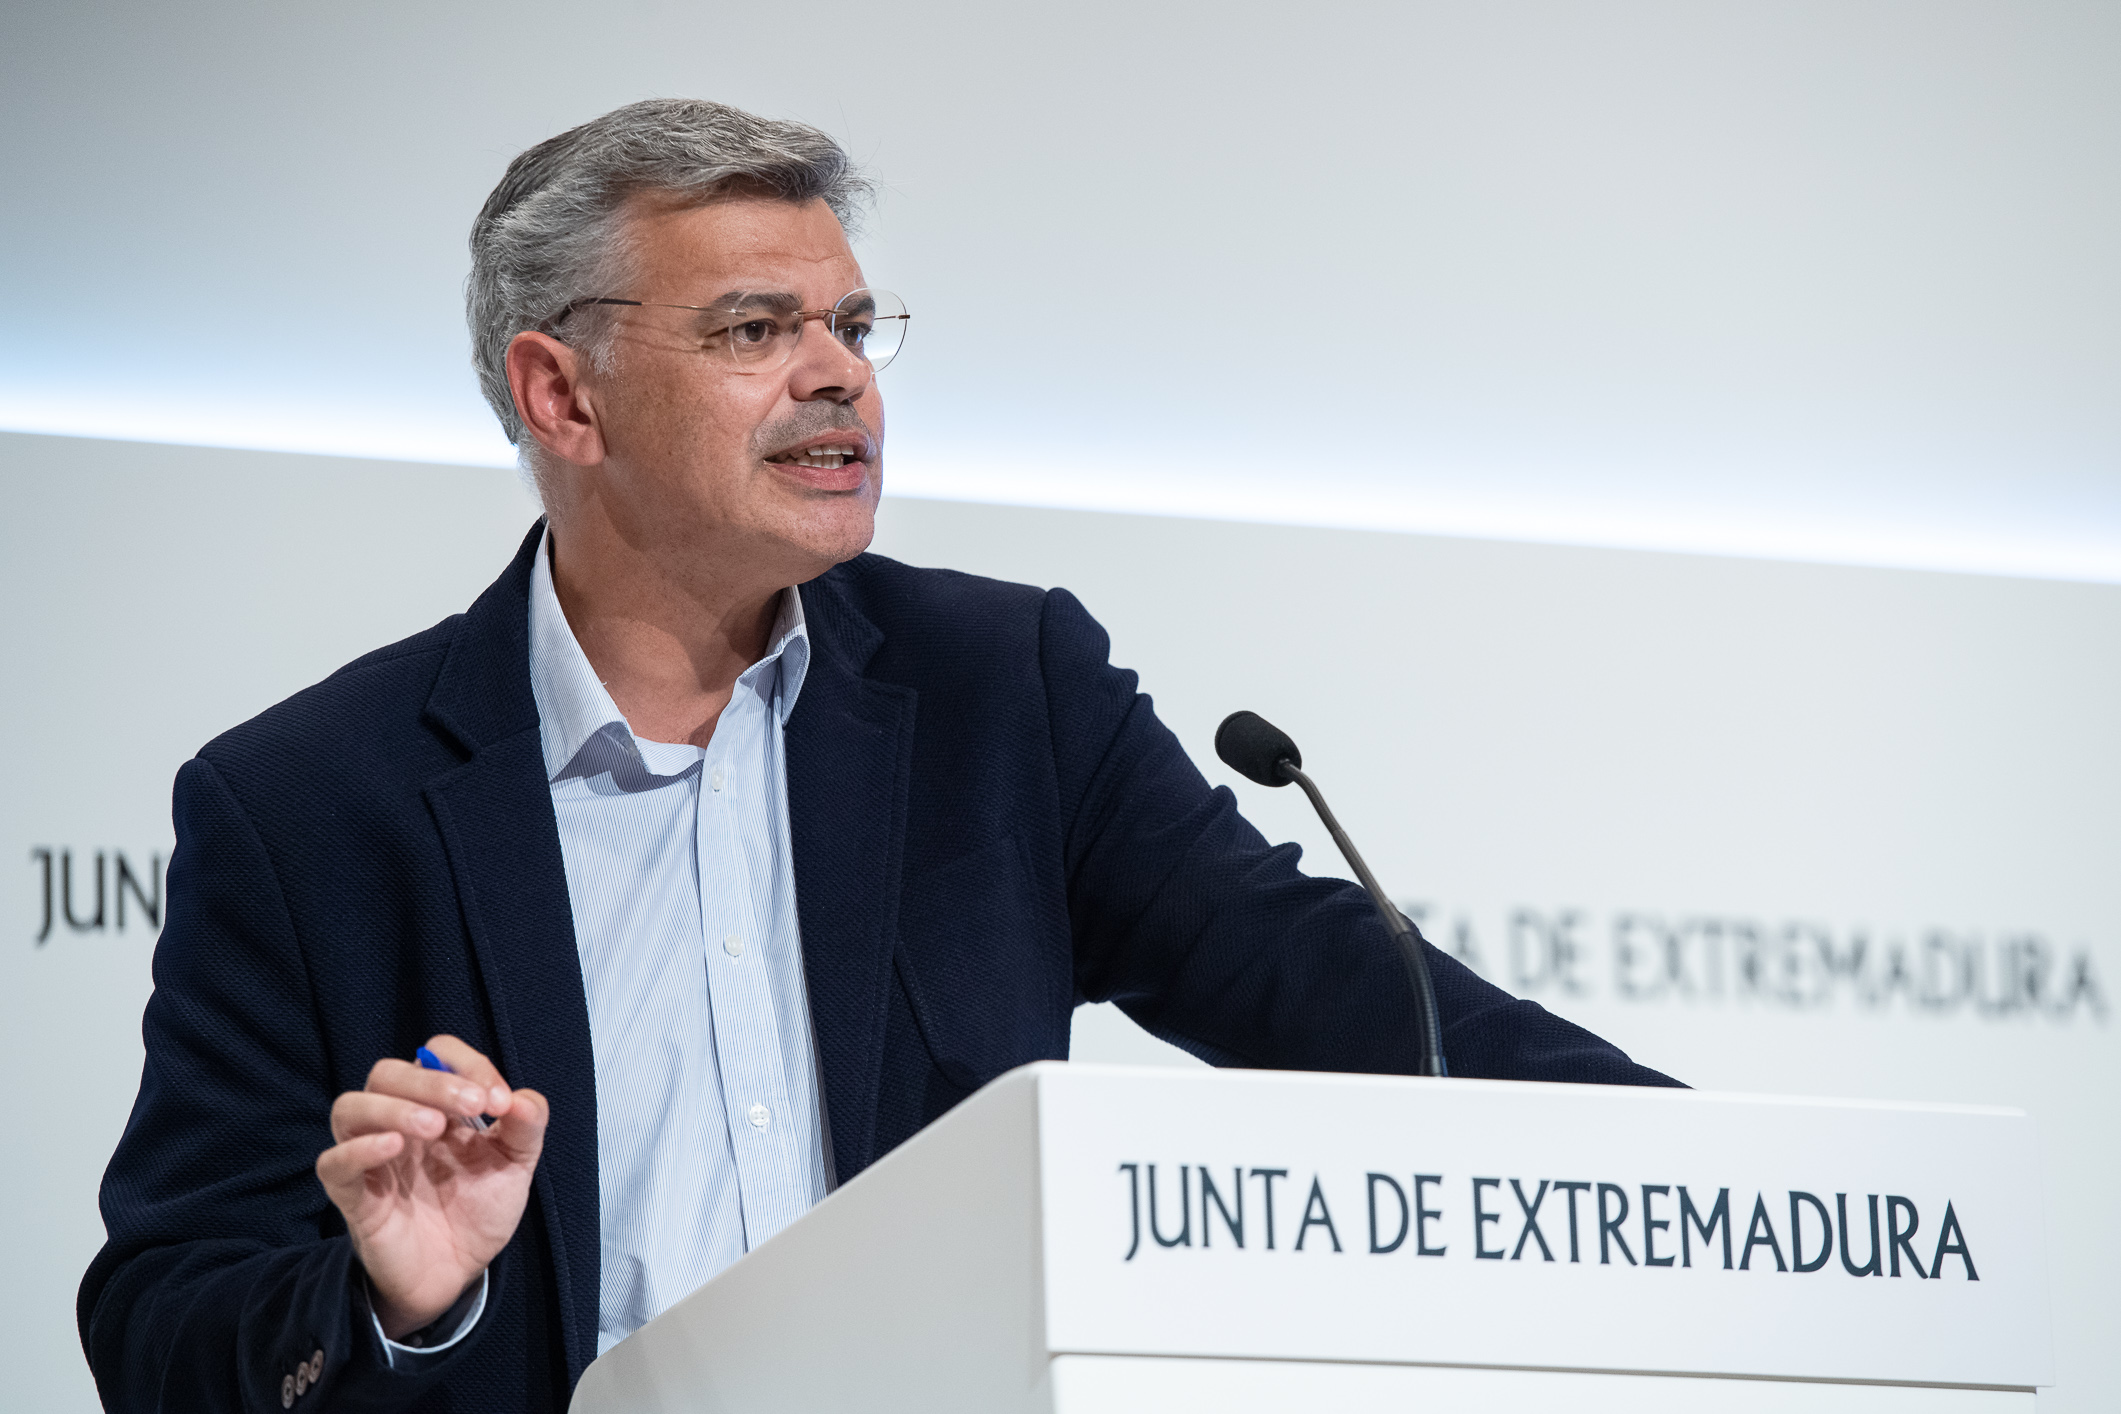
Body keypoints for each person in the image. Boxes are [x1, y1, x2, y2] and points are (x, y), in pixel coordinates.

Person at [79, 98, 1677, 1413]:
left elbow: (1329, 991)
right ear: (561, 393)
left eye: (849, 322)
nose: (838, 371)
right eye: (756, 327)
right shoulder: (308, 804)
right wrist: (397, 1302)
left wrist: (1715, 1179)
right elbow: (166, 1315)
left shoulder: (1002, 692)